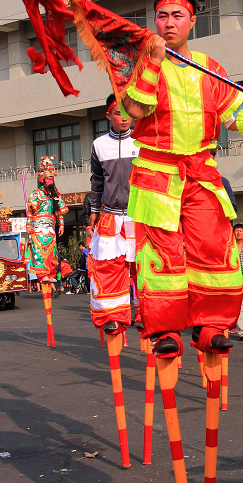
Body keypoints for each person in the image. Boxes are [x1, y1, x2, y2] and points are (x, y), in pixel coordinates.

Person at [122, 0, 243, 357]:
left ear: (192, 22)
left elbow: (235, 118)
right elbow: (134, 110)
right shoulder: (142, 63)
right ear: (154, 21)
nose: (169, 23)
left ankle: (210, 326)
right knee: (163, 252)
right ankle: (164, 329)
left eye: (177, 16)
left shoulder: (212, 68)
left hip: (201, 170)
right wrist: (152, 62)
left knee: (214, 247)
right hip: (157, 170)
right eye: (162, 16)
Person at [87, 94, 139, 334]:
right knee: (108, 267)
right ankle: (113, 316)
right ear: (108, 115)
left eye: (129, 112)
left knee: (144, 266)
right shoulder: (99, 145)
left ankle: (147, 312)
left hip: (140, 214)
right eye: (119, 112)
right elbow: (97, 181)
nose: (125, 118)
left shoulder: (142, 140)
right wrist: (94, 211)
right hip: (110, 214)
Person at [26, 156, 68, 283]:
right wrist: (29, 225)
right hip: (39, 226)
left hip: (51, 227)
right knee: (39, 251)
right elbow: (30, 211)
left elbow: (59, 211)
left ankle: (50, 274)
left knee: (51, 252)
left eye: (52, 179)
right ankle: (41, 275)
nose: (50, 181)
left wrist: (61, 225)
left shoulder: (56, 195)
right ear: (43, 180)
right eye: (48, 179)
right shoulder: (36, 193)